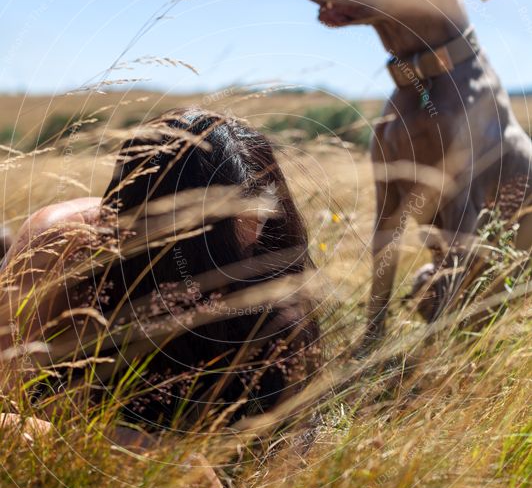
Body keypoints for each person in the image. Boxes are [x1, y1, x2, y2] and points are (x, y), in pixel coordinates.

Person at [0, 109, 319, 444]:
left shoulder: (267, 249)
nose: (252, 239)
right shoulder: (65, 246)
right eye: (218, 236)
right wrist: (123, 447)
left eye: (258, 217)